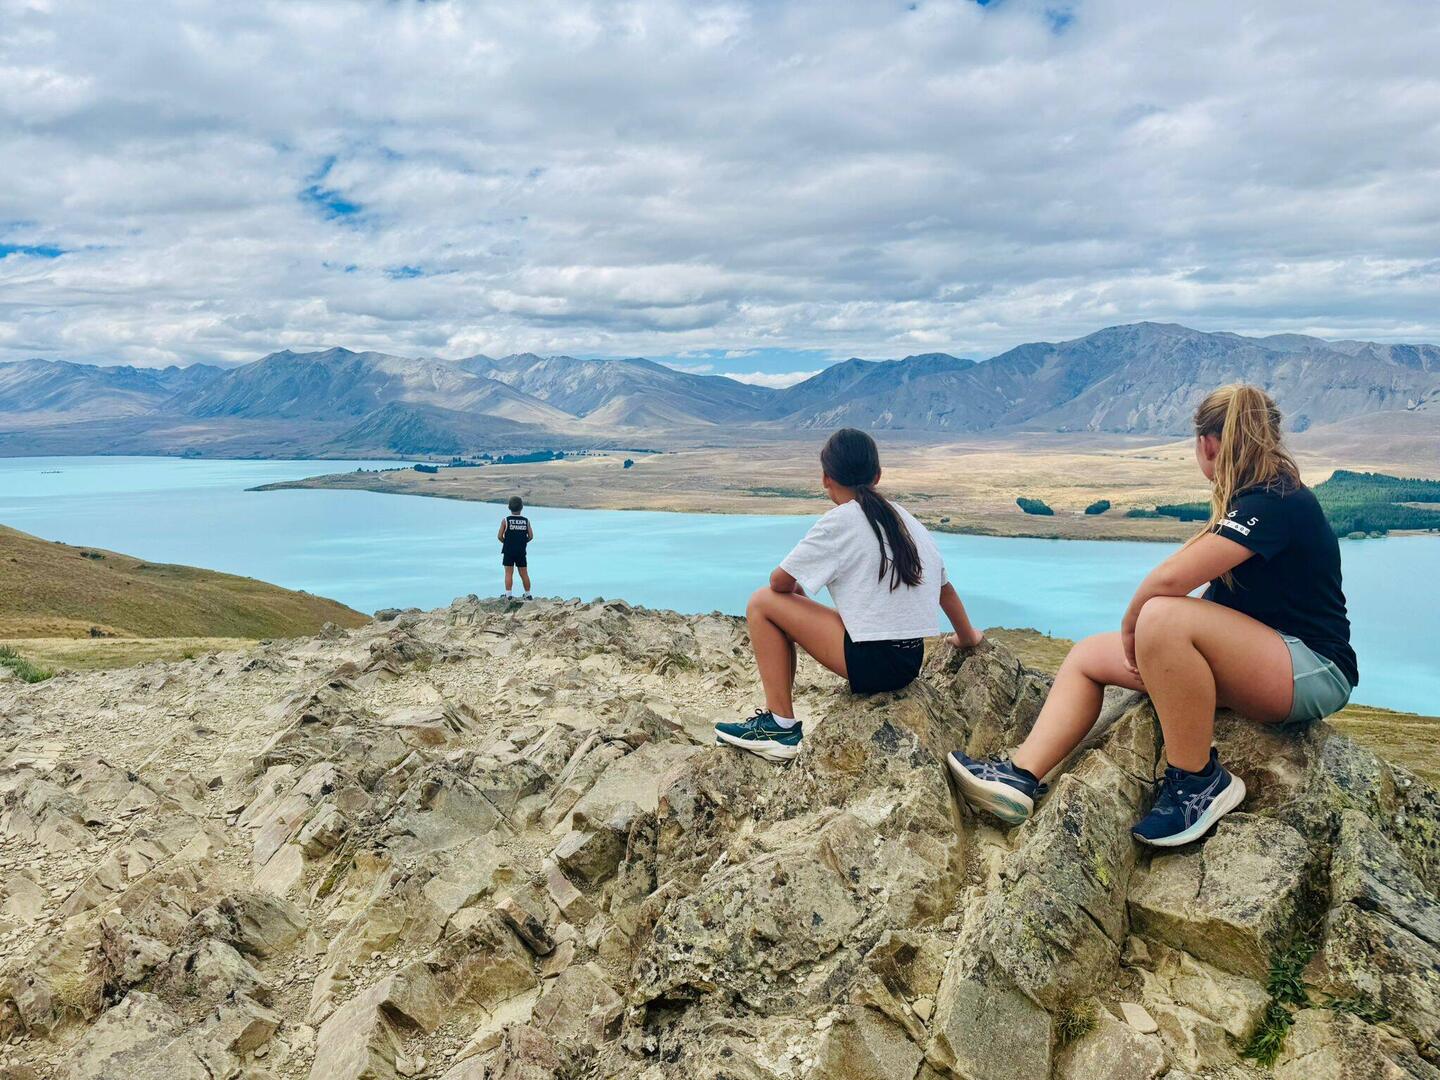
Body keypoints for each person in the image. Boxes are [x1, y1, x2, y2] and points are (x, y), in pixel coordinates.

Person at [949, 384, 1357, 847]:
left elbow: (1168, 582)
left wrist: (1135, 629)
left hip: (1313, 670)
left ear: (1207, 444)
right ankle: (1021, 776)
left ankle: (1198, 783)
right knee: (1087, 656)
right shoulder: (1257, 500)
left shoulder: (1276, 501)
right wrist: (1158, 654)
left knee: (1161, 616)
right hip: (1262, 666)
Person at [715, 428, 985, 763]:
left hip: (872, 664)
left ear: (826, 478)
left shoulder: (839, 522)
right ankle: (779, 724)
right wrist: (967, 637)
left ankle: (780, 726)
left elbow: (778, 582)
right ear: (877, 475)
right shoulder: (905, 519)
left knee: (761, 603)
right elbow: (945, 589)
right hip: (909, 661)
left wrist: (797, 597)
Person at [498, 495, 533, 600]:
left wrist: (506, 543)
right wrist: (522, 542)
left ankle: (508, 595)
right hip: (521, 551)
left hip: (508, 551)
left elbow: (499, 536)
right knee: (524, 573)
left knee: (509, 573)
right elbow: (531, 536)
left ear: (509, 507)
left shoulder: (505, 520)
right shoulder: (526, 521)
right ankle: (528, 594)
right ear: (522, 507)